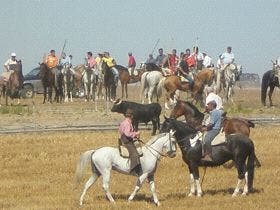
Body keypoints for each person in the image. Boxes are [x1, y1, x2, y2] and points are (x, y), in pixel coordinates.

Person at [118, 108, 142, 176]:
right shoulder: (127, 123)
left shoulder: (124, 122)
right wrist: (136, 134)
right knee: (135, 154)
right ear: (131, 116)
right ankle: (133, 169)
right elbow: (127, 134)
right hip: (126, 140)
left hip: (123, 139)